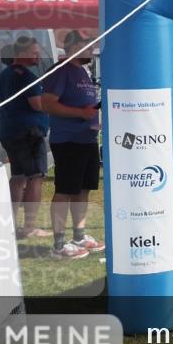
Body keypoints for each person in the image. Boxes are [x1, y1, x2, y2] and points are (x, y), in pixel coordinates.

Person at [42, 31, 106, 260]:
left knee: (83, 190)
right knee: (65, 191)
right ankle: (58, 244)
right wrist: (81, 113)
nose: (91, 49)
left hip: (86, 139)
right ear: (73, 46)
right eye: (87, 45)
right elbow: (47, 103)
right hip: (68, 140)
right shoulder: (62, 70)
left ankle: (79, 236)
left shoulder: (84, 71)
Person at [0, 36, 52, 239]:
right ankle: (29, 226)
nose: (38, 56)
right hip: (29, 134)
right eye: (34, 52)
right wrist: (56, 103)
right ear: (21, 53)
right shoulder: (26, 76)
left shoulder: (4, 75)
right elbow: (37, 104)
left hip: (9, 131)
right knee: (35, 177)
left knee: (18, 177)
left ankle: (10, 222)